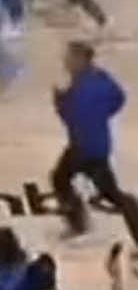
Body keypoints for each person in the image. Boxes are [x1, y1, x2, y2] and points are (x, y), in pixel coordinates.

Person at [50, 40, 138, 244]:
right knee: (62, 178)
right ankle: (79, 222)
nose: (66, 62)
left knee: (66, 181)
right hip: (95, 146)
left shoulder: (80, 88)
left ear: (81, 60)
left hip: (85, 148)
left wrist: (60, 102)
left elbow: (71, 119)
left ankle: (79, 223)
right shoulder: (100, 78)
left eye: (70, 58)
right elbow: (119, 98)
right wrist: (104, 112)